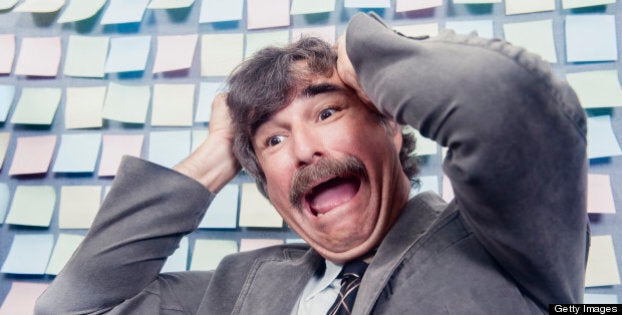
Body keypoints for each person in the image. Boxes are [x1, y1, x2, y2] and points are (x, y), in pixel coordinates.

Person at [35, 12, 589, 314]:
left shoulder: (501, 236)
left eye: (326, 112)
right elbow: (74, 312)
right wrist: (216, 153)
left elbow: (500, 98)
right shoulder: (235, 289)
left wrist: (363, 58)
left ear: (391, 124)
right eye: (272, 142)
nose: (302, 150)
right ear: (269, 188)